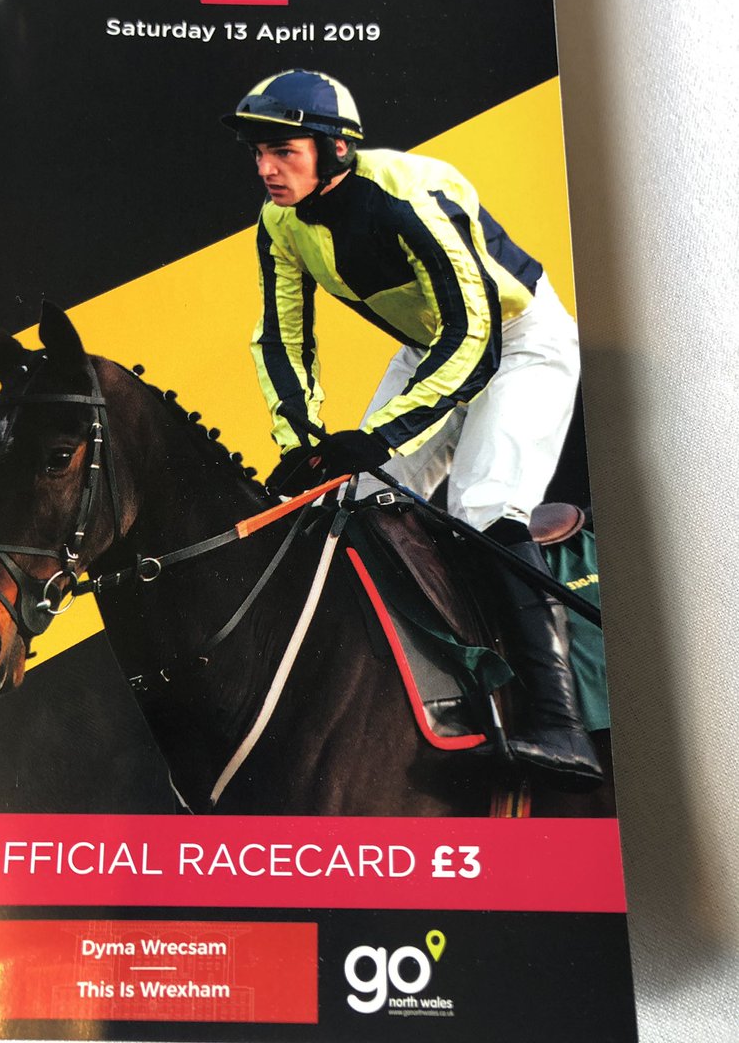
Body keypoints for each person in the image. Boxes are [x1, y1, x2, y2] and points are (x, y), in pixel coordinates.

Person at [222, 68, 602, 789]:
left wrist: (379, 436)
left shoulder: (412, 190)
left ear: (336, 148)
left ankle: (562, 724)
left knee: (486, 507)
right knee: (352, 505)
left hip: (519, 340)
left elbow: (476, 337)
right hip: (432, 348)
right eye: (259, 153)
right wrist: (300, 441)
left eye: (284, 151)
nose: (267, 169)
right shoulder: (278, 222)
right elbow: (282, 337)